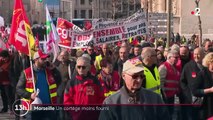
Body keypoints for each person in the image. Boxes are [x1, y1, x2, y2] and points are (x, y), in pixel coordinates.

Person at [99, 57, 170, 120]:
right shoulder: (111, 102)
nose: (139, 80)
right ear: (123, 76)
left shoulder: (155, 98)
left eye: (142, 76)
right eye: (135, 76)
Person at [16, 50, 61, 120]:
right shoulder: (26, 73)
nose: (45, 61)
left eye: (46, 59)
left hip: (48, 107)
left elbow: (59, 81)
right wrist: (30, 95)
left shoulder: (49, 71)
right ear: (36, 60)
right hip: (33, 107)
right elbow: (19, 89)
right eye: (43, 59)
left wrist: (54, 69)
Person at [180, 47, 205, 120]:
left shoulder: (207, 66)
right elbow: (182, 81)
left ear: (203, 55)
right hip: (191, 100)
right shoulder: (188, 66)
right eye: (195, 54)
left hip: (205, 99)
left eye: (199, 54)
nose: (196, 56)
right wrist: (188, 94)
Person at [158, 50, 180, 117]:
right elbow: (161, 83)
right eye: (175, 57)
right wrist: (163, 96)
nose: (177, 59)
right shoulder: (164, 67)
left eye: (177, 57)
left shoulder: (174, 67)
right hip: (166, 97)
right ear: (169, 57)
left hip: (172, 96)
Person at [192, 52, 213, 119]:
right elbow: (194, 91)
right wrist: (209, 90)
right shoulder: (202, 73)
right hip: (206, 106)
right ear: (209, 63)